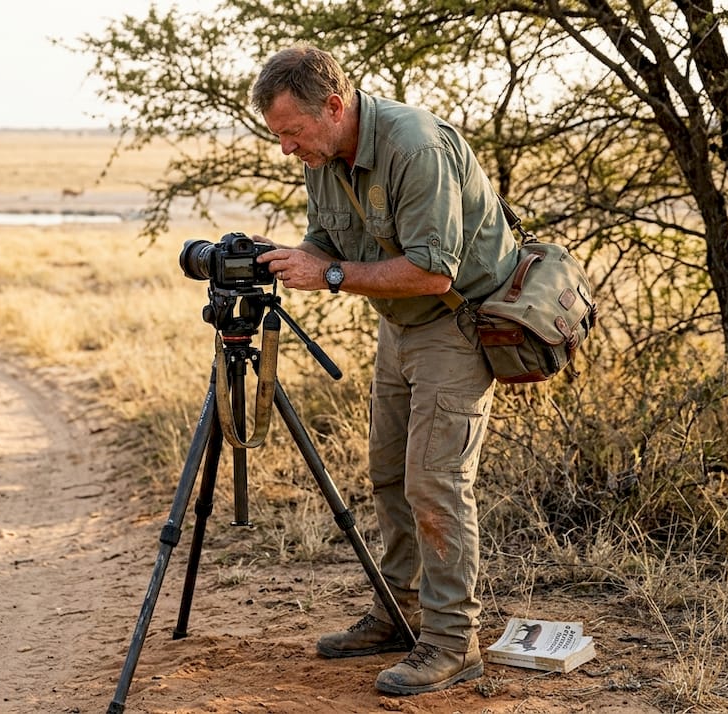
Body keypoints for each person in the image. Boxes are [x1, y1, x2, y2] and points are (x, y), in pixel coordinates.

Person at [251, 45, 520, 695]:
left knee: (435, 483)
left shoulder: (415, 147)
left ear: (334, 108)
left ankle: (455, 644)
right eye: (278, 136)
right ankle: (400, 614)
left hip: (458, 322)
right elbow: (326, 239)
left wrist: (332, 276)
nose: (287, 149)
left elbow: (434, 270)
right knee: (388, 474)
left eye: (292, 133)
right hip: (401, 325)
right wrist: (290, 258)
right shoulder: (325, 156)